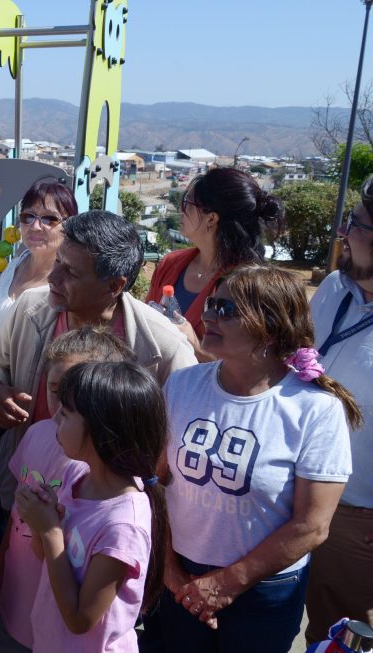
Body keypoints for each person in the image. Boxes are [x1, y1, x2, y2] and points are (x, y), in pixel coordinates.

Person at [148, 265, 360, 653]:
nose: (208, 316)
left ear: (270, 326)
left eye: (226, 309)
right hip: (180, 580)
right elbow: (156, 482)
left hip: (264, 593)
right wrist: (169, 570)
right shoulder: (182, 385)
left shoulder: (314, 409)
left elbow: (312, 526)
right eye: (212, 303)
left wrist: (225, 584)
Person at [0, 209, 195, 520]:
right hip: (29, 494)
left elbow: (179, 442)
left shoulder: (164, 350)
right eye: (58, 262)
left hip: (106, 517)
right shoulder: (29, 308)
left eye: (71, 272)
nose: (54, 278)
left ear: (114, 286)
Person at [0, 327, 134, 653]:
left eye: (74, 394)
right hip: (15, 601)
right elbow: (15, 515)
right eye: (55, 389)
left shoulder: (96, 472)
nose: (59, 405)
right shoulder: (36, 433)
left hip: (57, 624)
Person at [16, 361, 168, 652]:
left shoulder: (123, 525)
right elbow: (45, 557)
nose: (56, 418)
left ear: (103, 432)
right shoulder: (77, 476)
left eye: (67, 412)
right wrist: (42, 524)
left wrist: (50, 531)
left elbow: (80, 619)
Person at [0, 176, 75, 561]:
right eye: (29, 216)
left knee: (17, 520)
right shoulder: (17, 263)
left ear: (70, 226)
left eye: (49, 219)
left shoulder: (66, 284)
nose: (35, 226)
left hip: (32, 417)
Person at [304, 176, 373, 643]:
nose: (343, 233)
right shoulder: (334, 287)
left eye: (355, 223)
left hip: (360, 515)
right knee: (324, 635)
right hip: (306, 493)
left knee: (351, 633)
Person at [145, 167, 283, 359]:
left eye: (187, 203)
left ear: (211, 218)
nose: (181, 210)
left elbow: (247, 366)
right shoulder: (170, 263)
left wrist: (193, 344)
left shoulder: (247, 285)